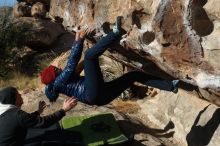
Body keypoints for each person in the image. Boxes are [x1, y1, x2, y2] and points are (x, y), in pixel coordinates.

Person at [40, 17, 179, 106]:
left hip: (100, 98)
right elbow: (72, 63)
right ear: (54, 76)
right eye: (56, 70)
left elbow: (72, 68)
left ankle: (170, 86)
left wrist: (77, 38)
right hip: (91, 92)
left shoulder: (58, 83)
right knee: (89, 56)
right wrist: (80, 41)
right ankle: (115, 33)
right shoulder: (60, 81)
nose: (58, 68)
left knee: (133, 76)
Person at [0, 86, 78, 146]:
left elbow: (26, 120)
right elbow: (43, 122)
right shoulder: (16, 115)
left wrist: (38, 112)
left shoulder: (5, 111)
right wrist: (63, 110)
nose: (20, 94)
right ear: (14, 99)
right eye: (18, 94)